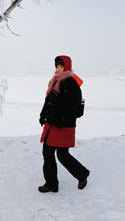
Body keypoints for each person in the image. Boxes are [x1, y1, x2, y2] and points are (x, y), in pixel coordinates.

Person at [38, 55, 90, 193]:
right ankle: (51, 184)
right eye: (57, 66)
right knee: (47, 152)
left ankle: (82, 175)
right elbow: (48, 101)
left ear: (66, 67)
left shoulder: (71, 83)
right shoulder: (54, 81)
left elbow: (73, 107)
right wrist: (43, 115)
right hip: (52, 123)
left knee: (62, 154)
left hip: (64, 125)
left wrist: (60, 117)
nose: (59, 68)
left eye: (61, 66)